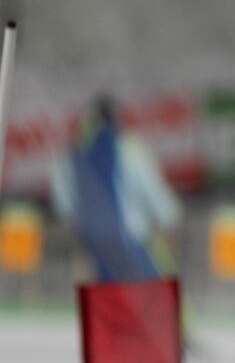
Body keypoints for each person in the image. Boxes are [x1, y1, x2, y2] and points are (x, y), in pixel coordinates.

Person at [49, 94, 182, 282]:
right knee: (147, 295)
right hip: (130, 237)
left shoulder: (74, 154)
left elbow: (63, 202)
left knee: (106, 298)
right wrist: (170, 218)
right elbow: (152, 190)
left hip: (93, 241)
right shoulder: (129, 148)